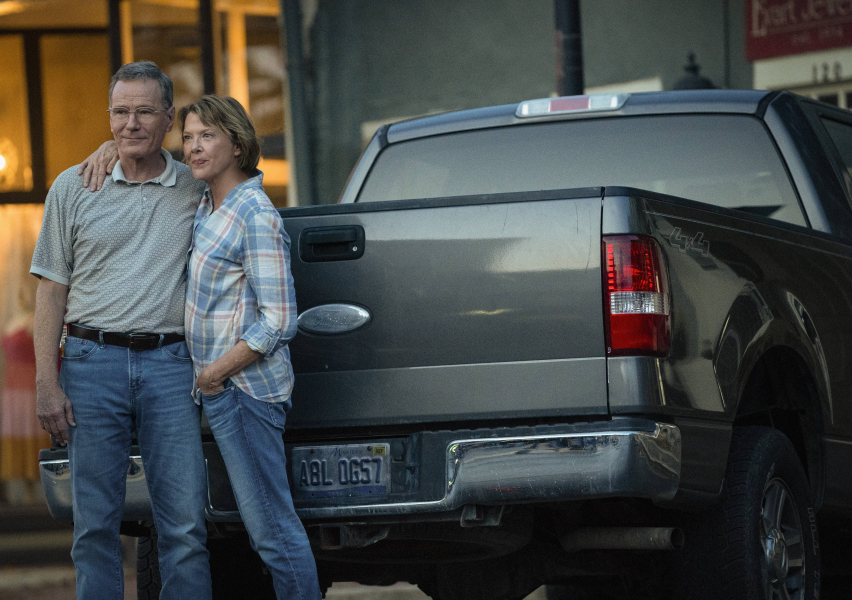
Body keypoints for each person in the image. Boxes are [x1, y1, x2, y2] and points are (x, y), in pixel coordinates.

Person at [31, 61, 211, 600]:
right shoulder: (72, 186)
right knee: (94, 527)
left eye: (145, 112)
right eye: (120, 112)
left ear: (169, 118)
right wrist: (46, 382)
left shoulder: (194, 186)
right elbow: (50, 291)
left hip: (172, 366)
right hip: (91, 365)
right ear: (108, 116)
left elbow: (244, 166)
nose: (131, 123)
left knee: (184, 526)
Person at [179, 94, 321, 599]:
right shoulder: (207, 205)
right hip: (224, 393)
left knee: (273, 532)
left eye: (207, 136)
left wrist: (215, 374)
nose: (194, 147)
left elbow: (279, 319)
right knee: (267, 530)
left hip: (245, 392)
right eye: (188, 138)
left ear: (237, 144)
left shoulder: (254, 213)